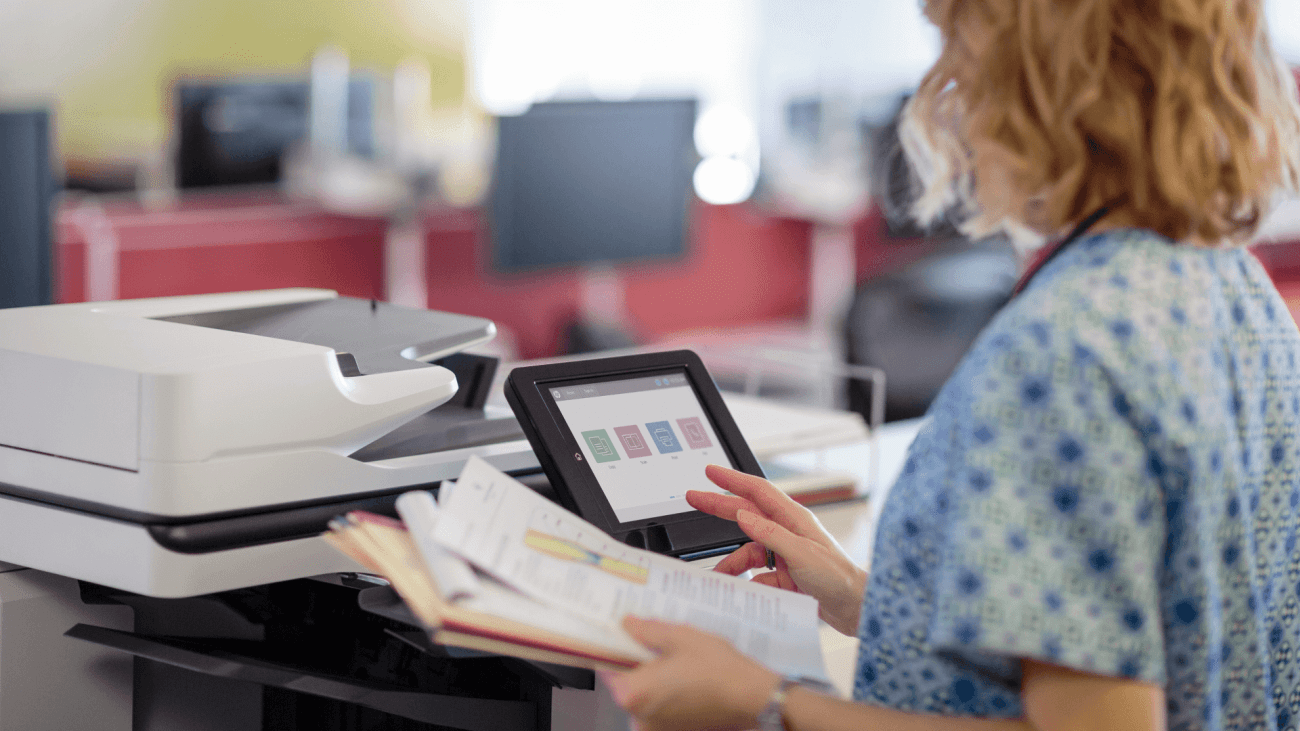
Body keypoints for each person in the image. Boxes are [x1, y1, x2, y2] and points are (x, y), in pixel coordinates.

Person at [602, 0, 1300, 729]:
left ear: (1034, 72)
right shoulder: (1233, 287)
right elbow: (1132, 636)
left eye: (953, 41)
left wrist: (766, 699)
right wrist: (856, 595)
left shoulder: (1062, 352)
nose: (944, 85)